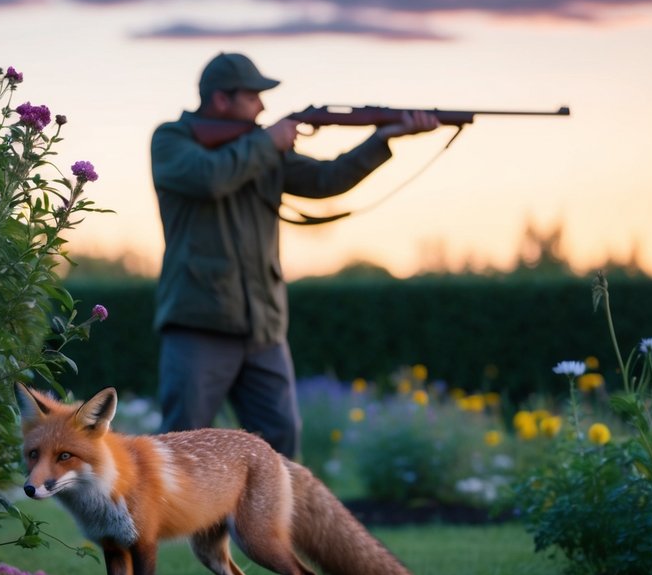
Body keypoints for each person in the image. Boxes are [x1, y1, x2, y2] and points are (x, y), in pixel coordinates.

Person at [149, 52, 439, 458]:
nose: (263, 107)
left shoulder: (259, 150)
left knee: (280, 442)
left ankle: (268, 525)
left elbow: (326, 180)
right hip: (199, 321)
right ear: (220, 101)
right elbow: (208, 178)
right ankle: (183, 525)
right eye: (253, 97)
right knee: (182, 449)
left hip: (263, 326)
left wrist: (380, 138)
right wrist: (267, 142)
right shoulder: (172, 141)